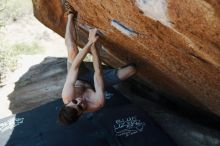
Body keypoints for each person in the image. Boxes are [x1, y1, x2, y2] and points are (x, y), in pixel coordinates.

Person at [58, 1, 136, 125]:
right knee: (131, 70)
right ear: (81, 114)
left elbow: (74, 68)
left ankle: (70, 15)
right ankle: (115, 70)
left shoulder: (67, 95)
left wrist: (90, 43)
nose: (80, 102)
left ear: (68, 103)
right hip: (95, 84)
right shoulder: (96, 103)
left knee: (73, 50)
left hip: (78, 76)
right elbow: (98, 73)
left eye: (75, 102)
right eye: (80, 107)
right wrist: (93, 46)